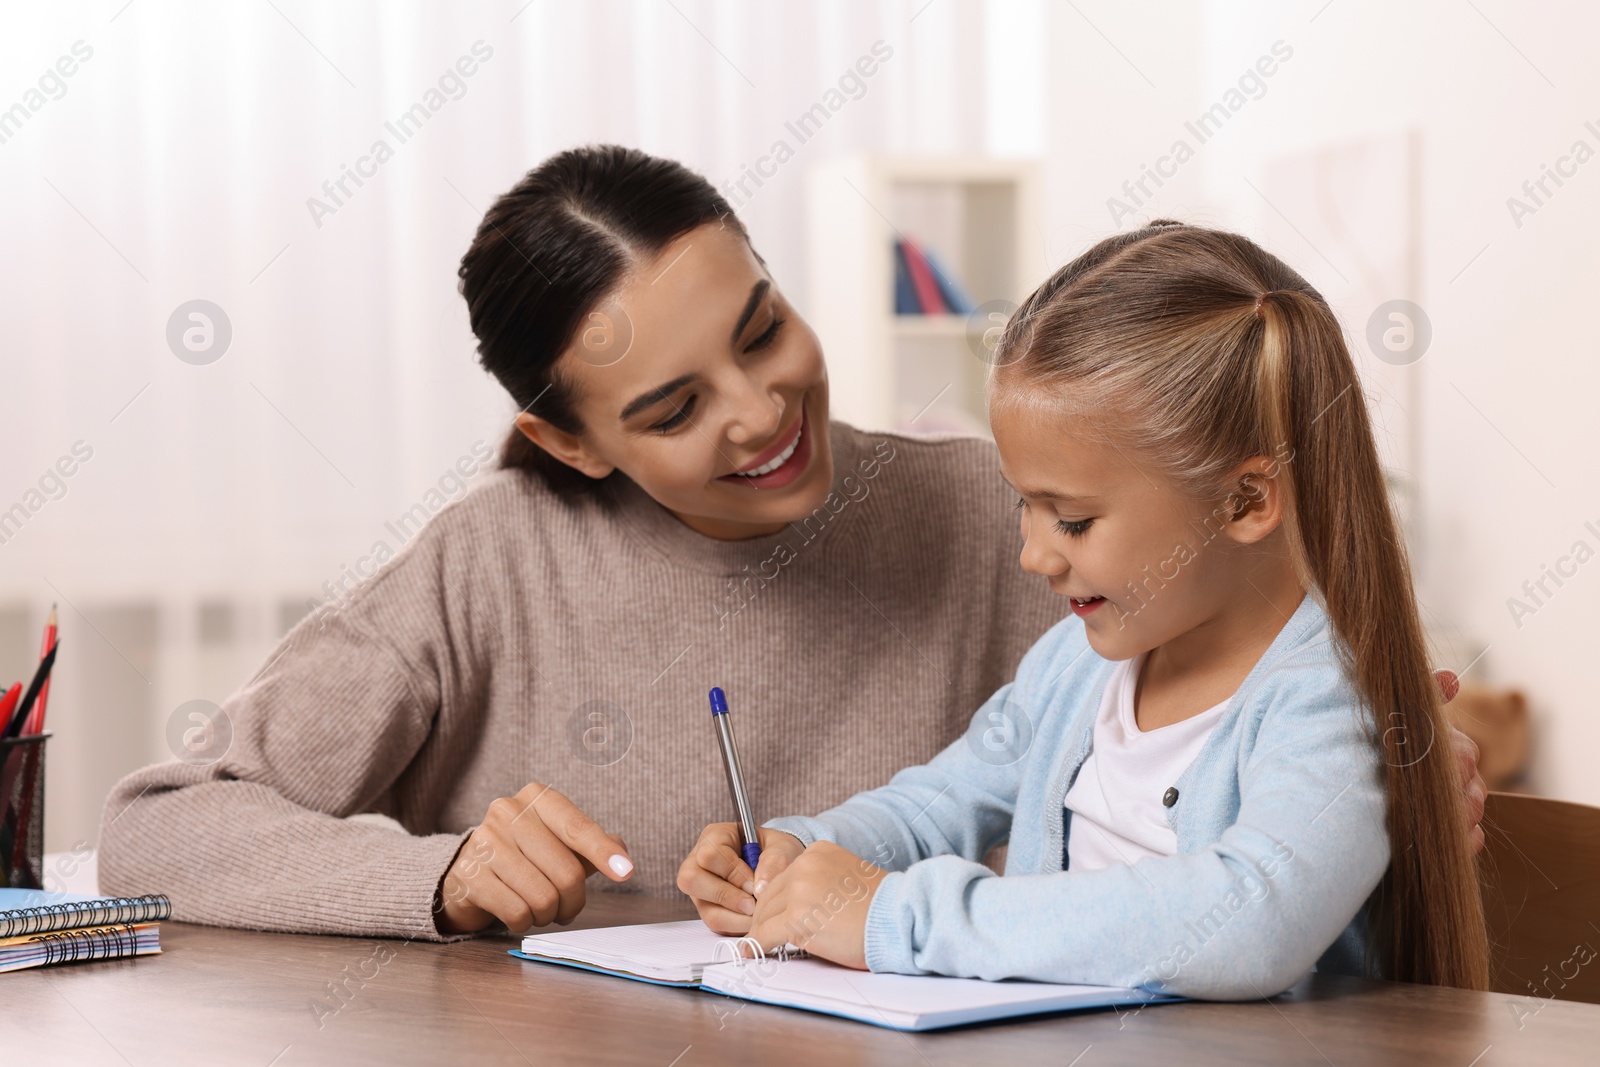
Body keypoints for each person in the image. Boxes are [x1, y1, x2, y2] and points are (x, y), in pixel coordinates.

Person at [97, 148, 1483, 944]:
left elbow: (1246, 737)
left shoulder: (1006, 512)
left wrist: (1416, 766)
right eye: (675, 405)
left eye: (761, 328)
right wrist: (439, 875)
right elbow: (157, 832)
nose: (765, 412)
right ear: (577, 441)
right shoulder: (490, 562)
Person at [678, 221, 1489, 996]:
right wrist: (802, 851)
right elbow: (937, 803)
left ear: (1245, 500)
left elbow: (1252, 920)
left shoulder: (1323, 701)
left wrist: (904, 917)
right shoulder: (1073, 665)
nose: (1035, 554)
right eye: (1023, 507)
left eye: (1071, 518)